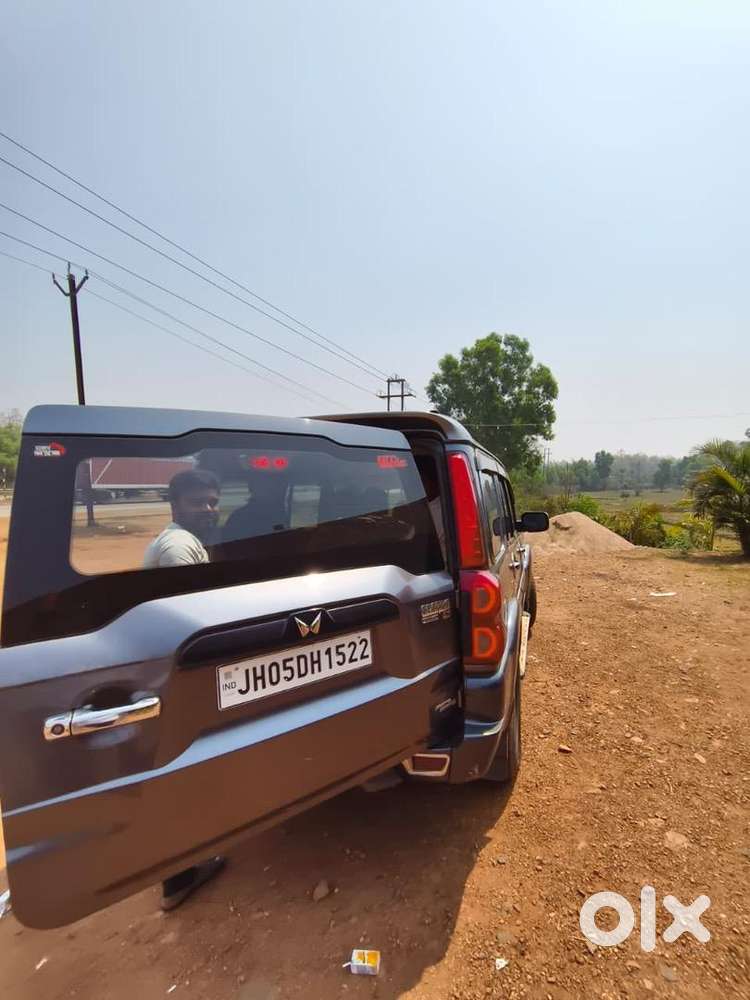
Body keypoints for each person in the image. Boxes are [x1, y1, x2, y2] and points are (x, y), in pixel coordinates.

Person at [144, 468, 226, 909]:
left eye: (213, 501)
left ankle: (182, 866)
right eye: (200, 502)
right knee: (180, 768)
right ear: (176, 506)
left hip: (175, 670)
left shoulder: (185, 541)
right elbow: (190, 618)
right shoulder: (178, 548)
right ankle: (178, 875)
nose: (210, 509)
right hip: (177, 675)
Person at [144, 469, 220, 568]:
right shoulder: (179, 546)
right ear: (175, 507)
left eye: (213, 503)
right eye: (197, 502)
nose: (208, 509)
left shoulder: (188, 539)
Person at [415, 455, 446, 560]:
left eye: (421, 481)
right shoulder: (416, 506)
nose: (416, 486)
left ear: (434, 482)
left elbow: (421, 539)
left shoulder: (443, 510)